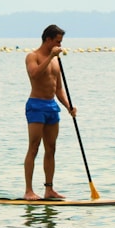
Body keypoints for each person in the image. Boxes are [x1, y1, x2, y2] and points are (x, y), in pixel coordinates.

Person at [23, 24, 75, 200]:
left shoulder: (56, 60)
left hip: (52, 106)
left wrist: (68, 106)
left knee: (51, 148)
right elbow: (35, 74)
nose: (60, 45)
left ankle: (49, 189)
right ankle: (29, 191)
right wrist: (51, 56)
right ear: (48, 40)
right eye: (58, 42)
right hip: (36, 105)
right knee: (34, 147)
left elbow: (58, 88)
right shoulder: (33, 56)